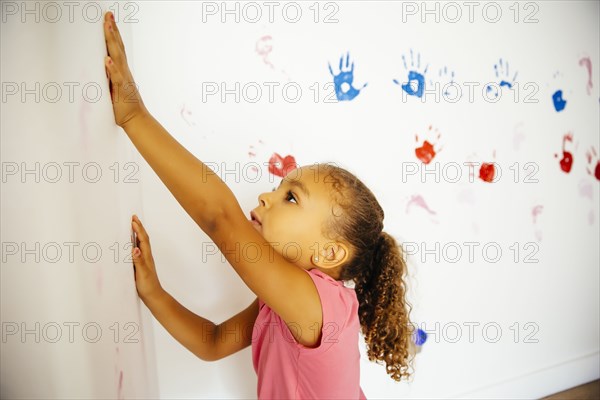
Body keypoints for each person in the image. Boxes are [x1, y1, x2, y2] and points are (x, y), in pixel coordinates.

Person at [103, 11, 414, 399]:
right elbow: (213, 342)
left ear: (331, 251)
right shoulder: (284, 300)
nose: (266, 197)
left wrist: (134, 117)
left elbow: (221, 219)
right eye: (280, 188)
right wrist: (154, 293)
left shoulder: (323, 306)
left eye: (291, 198)